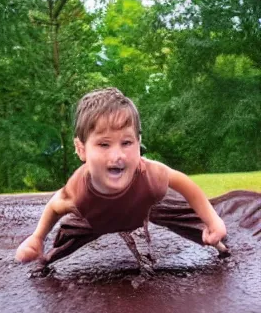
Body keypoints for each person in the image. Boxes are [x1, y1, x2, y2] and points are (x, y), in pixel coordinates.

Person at [15, 87, 228, 270]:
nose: (117, 156)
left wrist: (212, 220)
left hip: (143, 206)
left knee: (198, 224)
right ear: (81, 149)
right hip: (94, 219)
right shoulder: (79, 191)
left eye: (126, 143)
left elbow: (184, 183)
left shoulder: (149, 176)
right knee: (62, 242)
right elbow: (54, 206)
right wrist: (37, 237)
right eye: (104, 144)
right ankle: (43, 259)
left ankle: (220, 244)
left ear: (138, 141)